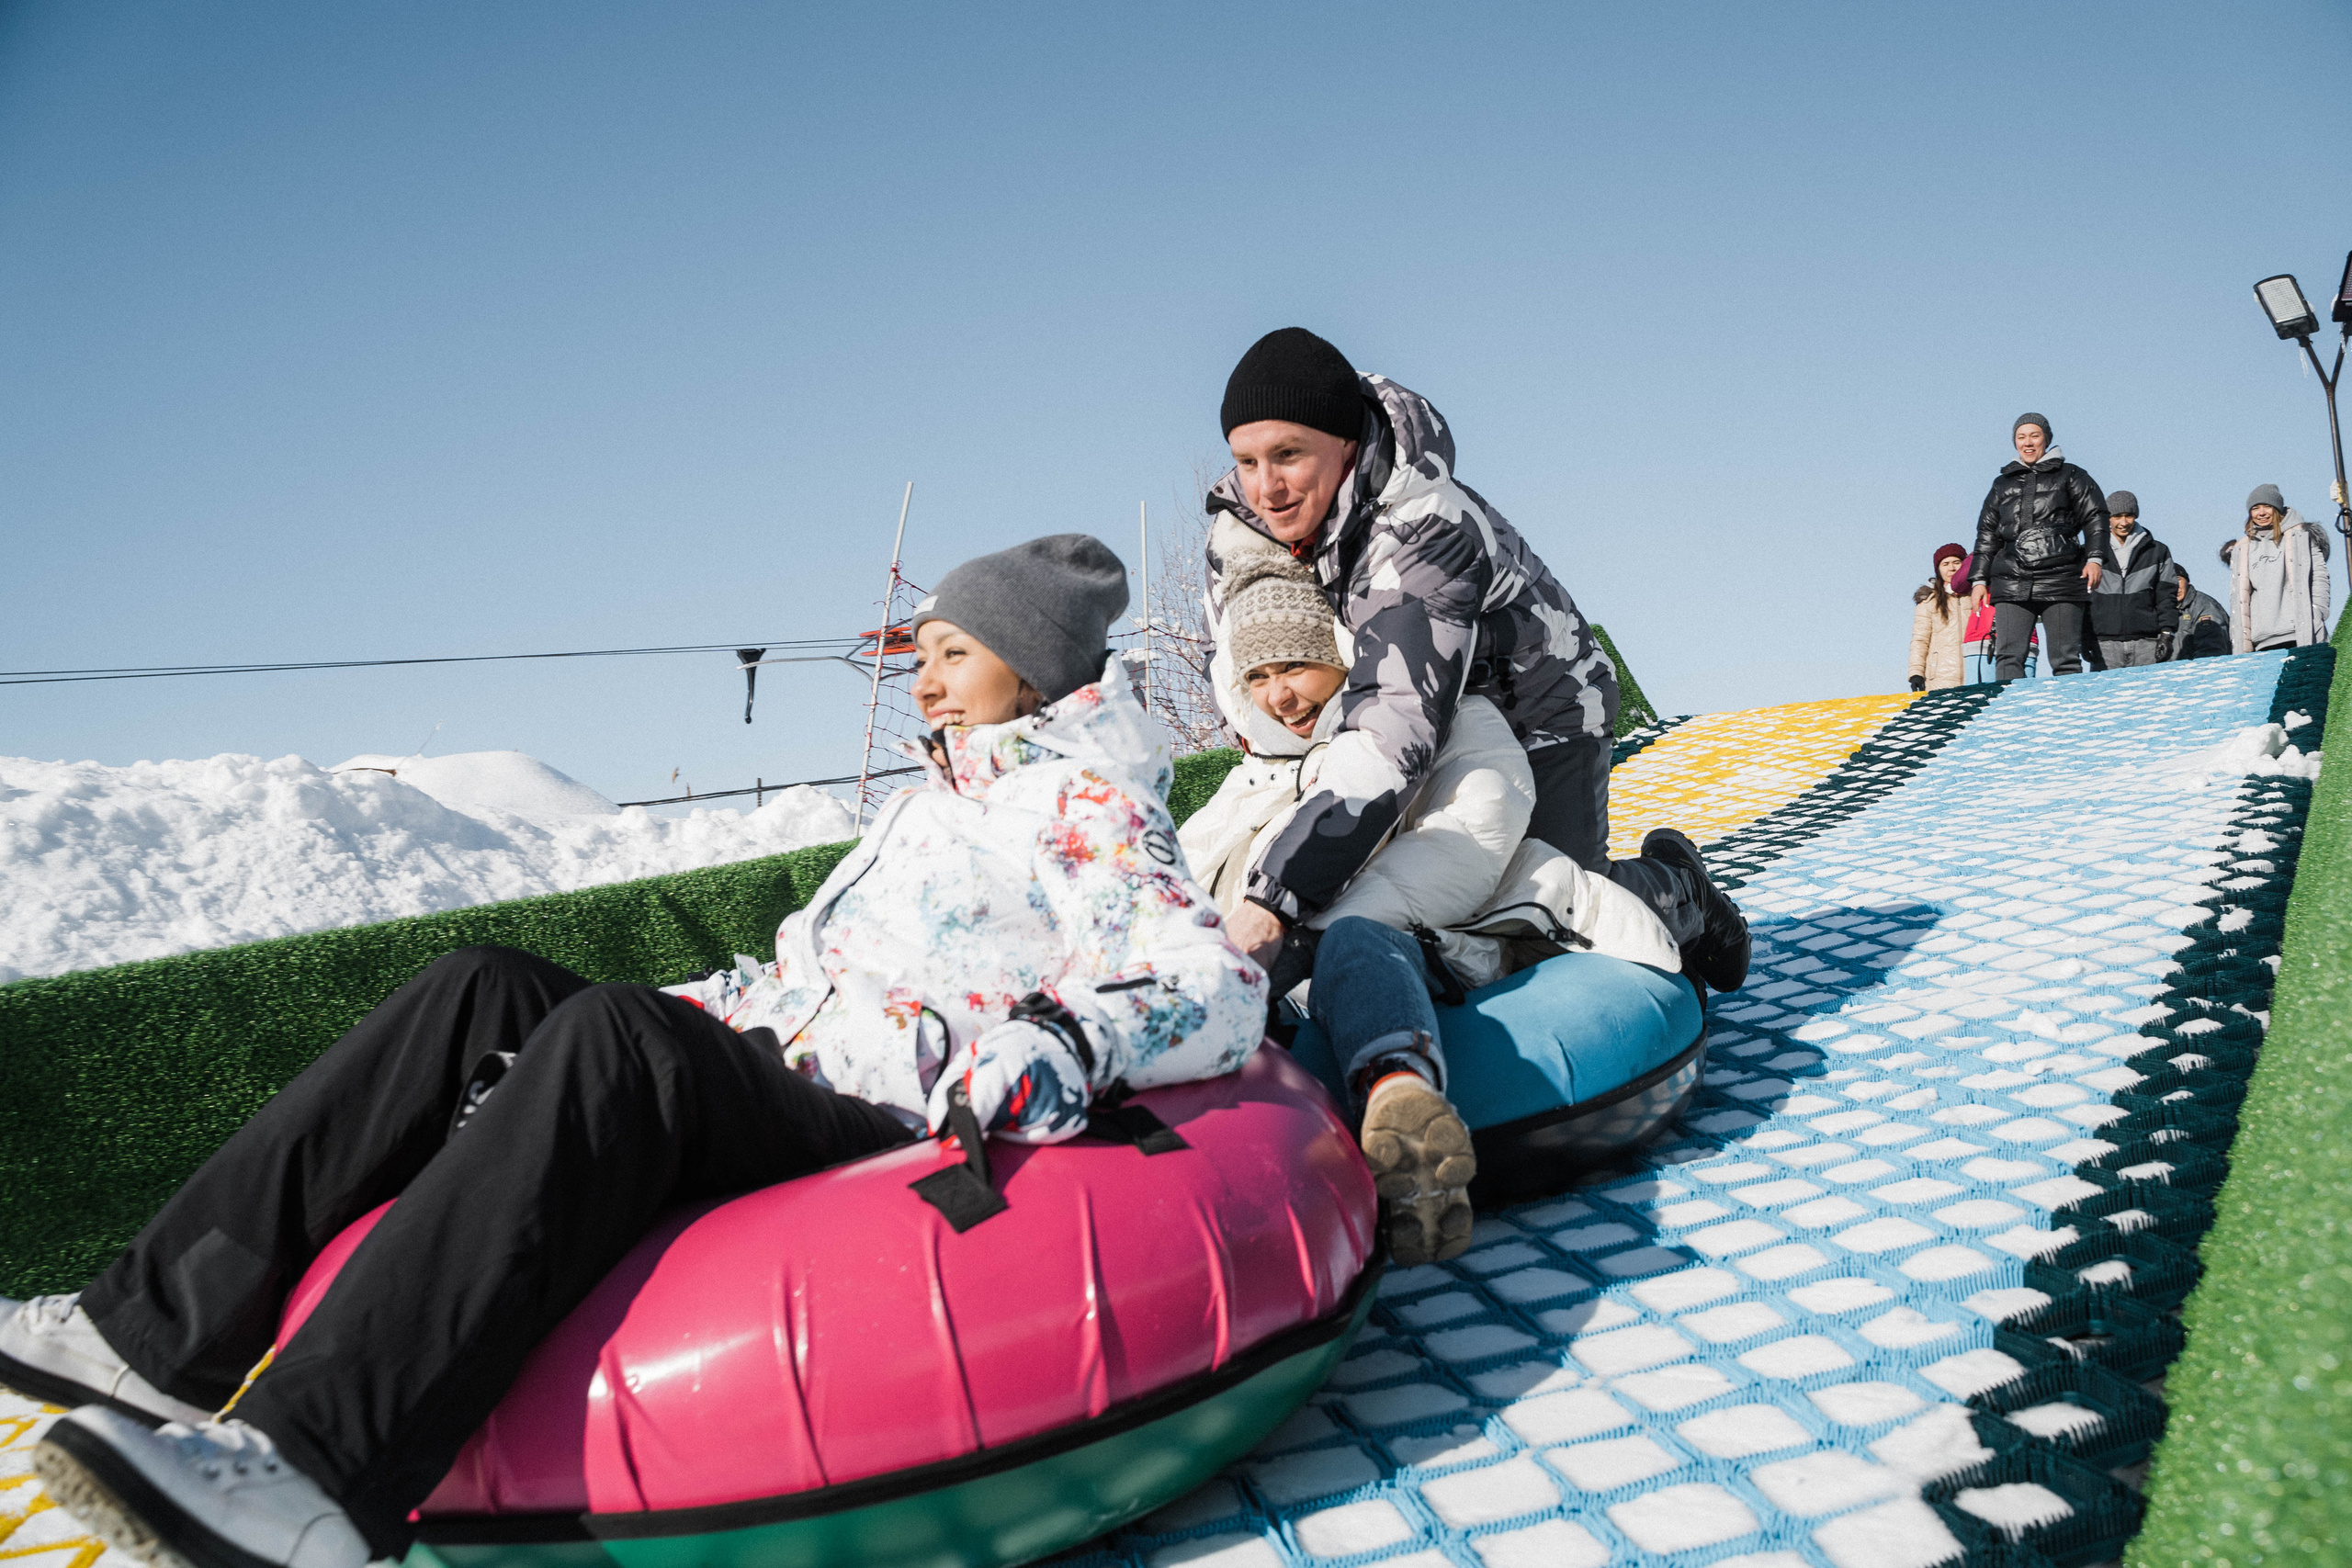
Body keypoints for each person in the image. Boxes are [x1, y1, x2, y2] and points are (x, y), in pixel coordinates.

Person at [8, 536, 1266, 1568]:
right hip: (785, 1051)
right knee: (480, 983)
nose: (925, 679)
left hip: (880, 1112)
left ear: (1035, 666)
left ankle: (313, 1470)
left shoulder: (1086, 798)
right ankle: (149, 1336)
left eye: (955, 652)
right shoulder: (935, 799)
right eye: (922, 653)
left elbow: (1211, 981)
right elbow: (808, 976)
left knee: (624, 1038)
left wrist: (1064, 1036)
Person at [1177, 526, 1684, 1261]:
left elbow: (1477, 825)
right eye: (1258, 677)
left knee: (1357, 943)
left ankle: (1399, 1102)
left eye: (1296, 665)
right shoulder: (1245, 782)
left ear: (1342, 653)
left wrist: (1312, 928)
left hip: (1431, 935)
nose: (1278, 694)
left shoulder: (1440, 720)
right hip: (1289, 985)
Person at [1202, 328, 1748, 1007]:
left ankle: (1680, 888)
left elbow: (1393, 729)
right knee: (1412, 876)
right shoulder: (1245, 527)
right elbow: (1240, 653)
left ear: (1344, 441)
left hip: (1538, 711)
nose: (1266, 487)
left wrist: (1274, 903)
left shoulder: (1420, 528)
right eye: (1247, 461)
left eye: (1288, 455)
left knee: (1550, 904)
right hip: (1431, 715)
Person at [1968, 412, 2115, 680]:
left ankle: (2068, 716)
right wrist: (1978, 579)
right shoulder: (2001, 484)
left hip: (2062, 577)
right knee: (2008, 656)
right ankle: (2010, 718)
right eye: (2021, 437)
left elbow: (2096, 516)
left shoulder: (2072, 474)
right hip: (2011, 579)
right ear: (2015, 442)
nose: (2028, 442)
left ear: (2046, 439)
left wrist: (2095, 557)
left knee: (2065, 658)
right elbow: (1987, 534)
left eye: (2035, 436)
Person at [2222, 484, 2333, 652]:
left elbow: (2319, 577)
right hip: (2261, 640)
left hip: (2300, 632)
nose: (2262, 512)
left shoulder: (2300, 537)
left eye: (2267, 506)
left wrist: (2317, 611)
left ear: (2277, 509)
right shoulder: (2242, 549)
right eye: (2256, 508)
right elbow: (2239, 597)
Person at [2086, 490, 2178, 669]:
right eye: (2117, 516)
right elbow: (2083, 599)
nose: (2123, 522)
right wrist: (2084, 638)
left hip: (2147, 644)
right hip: (2104, 644)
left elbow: (2167, 596)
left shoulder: (2158, 551)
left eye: (2129, 516)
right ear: (2108, 518)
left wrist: (2167, 634)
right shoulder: (2091, 553)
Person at [1908, 543, 1969, 691]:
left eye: (1957, 562)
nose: (1952, 568)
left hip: (1974, 673)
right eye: (1945, 564)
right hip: (1940, 678)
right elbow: (1920, 640)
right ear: (1938, 570)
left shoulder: (1975, 595)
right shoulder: (1929, 601)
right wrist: (1916, 673)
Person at [2171, 564, 2233, 660]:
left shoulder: (2203, 606)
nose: (2176, 586)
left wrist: (2198, 670)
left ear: (2188, 582)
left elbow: (2211, 649)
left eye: (2178, 579)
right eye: (2170, 581)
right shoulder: (2163, 612)